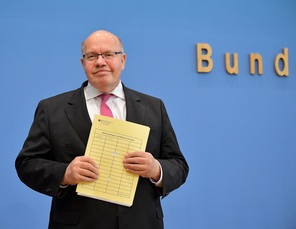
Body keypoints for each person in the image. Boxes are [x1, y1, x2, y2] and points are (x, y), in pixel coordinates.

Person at [15, 30, 189, 229]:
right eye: (92, 56)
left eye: (108, 54)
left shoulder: (153, 107)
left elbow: (179, 165)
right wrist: (64, 174)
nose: (100, 62)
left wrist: (156, 169)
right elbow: (27, 164)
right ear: (83, 64)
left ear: (122, 60)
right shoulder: (52, 109)